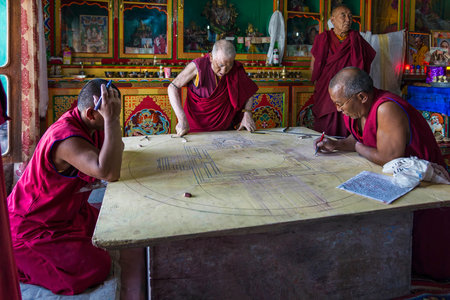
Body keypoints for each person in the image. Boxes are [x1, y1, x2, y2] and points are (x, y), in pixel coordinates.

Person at [315, 67, 450, 281]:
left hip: (426, 187)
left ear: (361, 96)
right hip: (395, 182)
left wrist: (357, 147)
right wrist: (337, 145)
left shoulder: (386, 108)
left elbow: (389, 157)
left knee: (426, 257)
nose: (339, 110)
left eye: (340, 103)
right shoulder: (358, 109)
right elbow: (358, 138)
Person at [7, 79, 124, 295]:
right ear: (91, 113)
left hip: (67, 212)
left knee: (115, 222)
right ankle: (13, 261)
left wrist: (109, 120)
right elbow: (109, 172)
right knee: (97, 266)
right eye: (111, 109)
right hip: (31, 226)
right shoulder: (66, 138)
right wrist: (112, 120)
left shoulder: (88, 124)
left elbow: (118, 148)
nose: (115, 113)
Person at [308, 4, 375, 137]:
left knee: (349, 122)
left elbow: (364, 67)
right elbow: (314, 66)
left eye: (350, 16)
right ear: (332, 20)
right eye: (343, 15)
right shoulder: (323, 38)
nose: (347, 19)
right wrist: (318, 84)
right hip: (327, 89)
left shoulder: (357, 39)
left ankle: (348, 146)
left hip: (350, 90)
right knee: (326, 126)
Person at [168, 39, 258, 136]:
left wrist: (247, 113)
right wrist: (181, 119)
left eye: (229, 65)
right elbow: (172, 87)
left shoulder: (236, 69)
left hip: (225, 131)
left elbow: (249, 91)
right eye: (220, 65)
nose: (224, 71)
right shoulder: (198, 66)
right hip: (196, 130)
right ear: (211, 57)